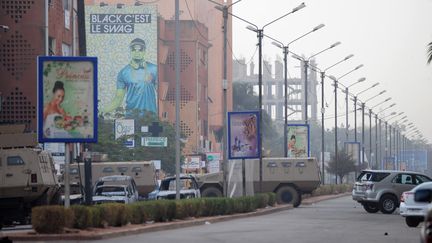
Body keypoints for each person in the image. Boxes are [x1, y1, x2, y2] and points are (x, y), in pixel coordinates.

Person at [104, 38, 158, 116]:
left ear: (144, 51)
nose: (137, 53)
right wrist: (102, 110)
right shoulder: (123, 72)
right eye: (134, 50)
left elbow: (162, 97)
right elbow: (118, 99)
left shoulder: (154, 69)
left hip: (151, 117)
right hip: (131, 118)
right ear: (130, 51)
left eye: (140, 50)